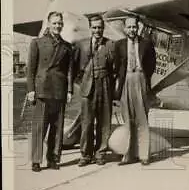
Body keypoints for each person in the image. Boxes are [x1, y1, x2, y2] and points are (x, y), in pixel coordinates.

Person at [26, 11, 73, 172]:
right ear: (48, 24)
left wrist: (70, 91)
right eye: (54, 23)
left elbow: (69, 72)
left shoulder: (67, 47)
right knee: (39, 127)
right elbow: (30, 69)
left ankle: (53, 159)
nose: (57, 26)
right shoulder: (37, 43)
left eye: (60, 23)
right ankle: (36, 160)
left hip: (59, 90)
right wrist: (31, 90)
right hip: (42, 90)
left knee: (57, 127)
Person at [114, 17, 156, 165]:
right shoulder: (119, 45)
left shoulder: (146, 44)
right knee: (128, 119)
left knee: (142, 119)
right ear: (125, 28)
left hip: (140, 79)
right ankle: (128, 155)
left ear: (137, 28)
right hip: (126, 80)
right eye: (129, 27)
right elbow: (117, 65)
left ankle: (144, 155)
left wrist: (143, 78)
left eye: (134, 27)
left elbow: (152, 64)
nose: (132, 30)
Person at [73, 15, 114, 166]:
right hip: (87, 88)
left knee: (104, 122)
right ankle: (85, 155)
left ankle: (100, 153)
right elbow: (75, 68)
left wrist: (108, 83)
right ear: (90, 28)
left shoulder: (110, 44)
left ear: (103, 28)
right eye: (94, 27)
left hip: (104, 86)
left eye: (100, 27)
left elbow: (114, 68)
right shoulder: (81, 45)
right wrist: (82, 83)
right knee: (87, 122)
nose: (97, 30)